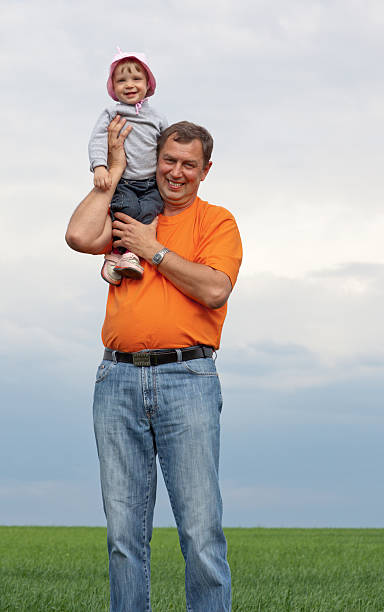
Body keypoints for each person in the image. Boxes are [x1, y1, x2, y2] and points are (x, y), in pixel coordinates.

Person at [66, 117, 242, 612]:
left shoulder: (216, 221)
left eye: (189, 164)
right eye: (168, 160)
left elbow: (214, 288)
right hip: (116, 378)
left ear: (206, 170)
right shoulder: (131, 210)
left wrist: (153, 250)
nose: (177, 172)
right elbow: (79, 236)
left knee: (200, 530)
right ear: (156, 159)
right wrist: (114, 170)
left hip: (188, 378)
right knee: (124, 534)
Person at [89, 48, 167, 284]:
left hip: (151, 182)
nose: (129, 84)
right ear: (113, 87)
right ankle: (116, 255)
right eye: (121, 80)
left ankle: (128, 255)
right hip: (125, 181)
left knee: (151, 212)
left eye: (136, 79)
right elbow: (97, 140)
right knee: (127, 210)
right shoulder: (111, 113)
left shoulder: (157, 117)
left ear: (148, 84)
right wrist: (100, 167)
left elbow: (166, 146)